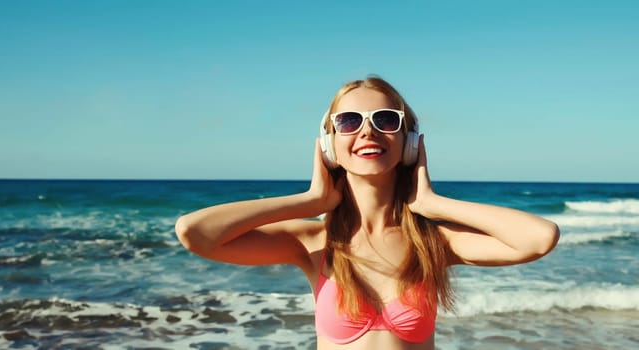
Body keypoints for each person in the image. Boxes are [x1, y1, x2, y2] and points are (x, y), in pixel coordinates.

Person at [175, 76, 560, 349]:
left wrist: (432, 203)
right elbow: (195, 232)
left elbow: (540, 238)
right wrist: (310, 201)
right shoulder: (313, 242)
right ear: (329, 145)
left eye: (386, 120)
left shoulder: (434, 241)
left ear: (408, 141)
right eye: (349, 121)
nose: (368, 132)